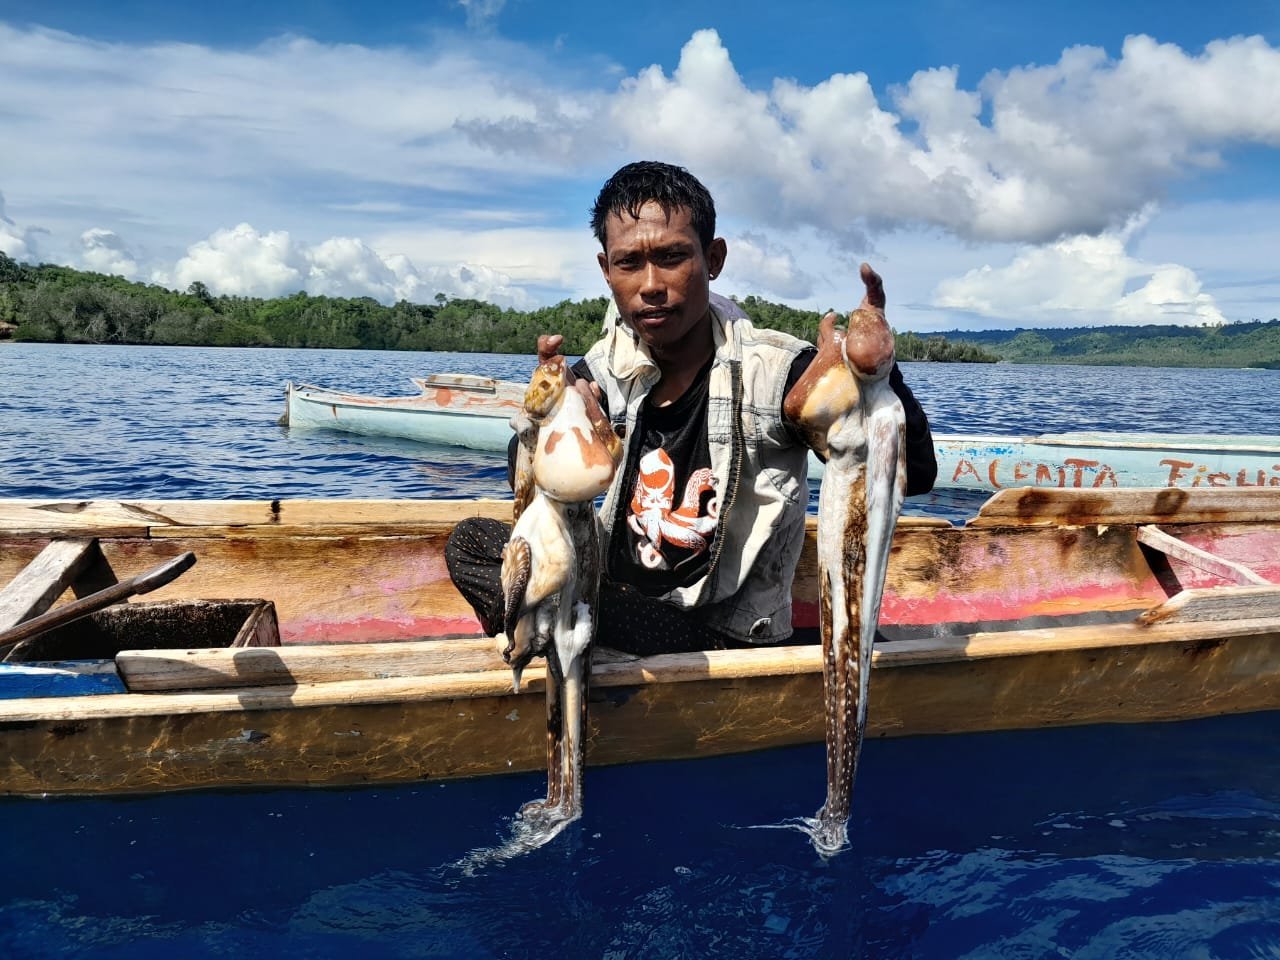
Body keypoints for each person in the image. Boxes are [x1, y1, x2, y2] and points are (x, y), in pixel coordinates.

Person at [446, 161, 935, 655]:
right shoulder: (604, 371)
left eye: (673, 256)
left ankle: (546, 631)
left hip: (722, 635)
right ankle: (549, 629)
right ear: (606, 270)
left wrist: (875, 374)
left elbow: (915, 475)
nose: (651, 284)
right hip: (616, 603)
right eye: (629, 263)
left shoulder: (778, 371)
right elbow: (523, 476)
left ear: (713, 258)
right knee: (470, 542)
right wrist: (545, 427)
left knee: (578, 603)